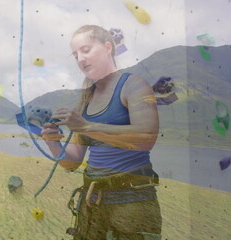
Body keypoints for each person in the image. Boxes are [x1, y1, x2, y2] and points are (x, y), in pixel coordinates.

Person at [42, 25, 162, 240]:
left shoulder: (134, 85)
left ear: (108, 47)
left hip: (132, 204)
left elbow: (147, 138)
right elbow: (72, 163)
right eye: (76, 54)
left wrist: (86, 126)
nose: (80, 58)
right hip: (91, 206)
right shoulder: (86, 99)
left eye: (86, 50)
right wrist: (53, 143)